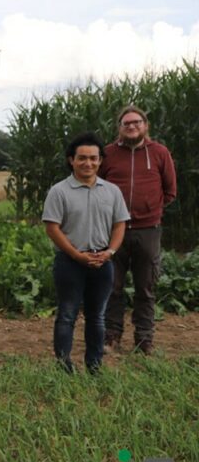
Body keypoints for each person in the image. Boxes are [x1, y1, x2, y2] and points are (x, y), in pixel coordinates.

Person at [43, 132, 129, 374]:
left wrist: (110, 251)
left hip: (102, 262)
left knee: (97, 316)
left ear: (101, 160)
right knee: (67, 314)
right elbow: (52, 227)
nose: (88, 163)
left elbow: (120, 224)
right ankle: (63, 364)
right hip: (70, 262)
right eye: (82, 158)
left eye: (93, 158)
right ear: (71, 160)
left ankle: (94, 365)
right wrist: (76, 255)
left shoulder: (111, 191)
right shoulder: (59, 191)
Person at [98, 105, 177, 355]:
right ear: (119, 128)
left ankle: (144, 341)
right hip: (113, 231)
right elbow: (96, 186)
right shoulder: (107, 154)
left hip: (148, 231)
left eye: (136, 122)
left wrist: (149, 210)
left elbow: (170, 191)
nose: (131, 127)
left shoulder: (160, 153)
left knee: (145, 287)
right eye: (126, 123)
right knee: (112, 286)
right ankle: (111, 337)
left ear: (145, 125)